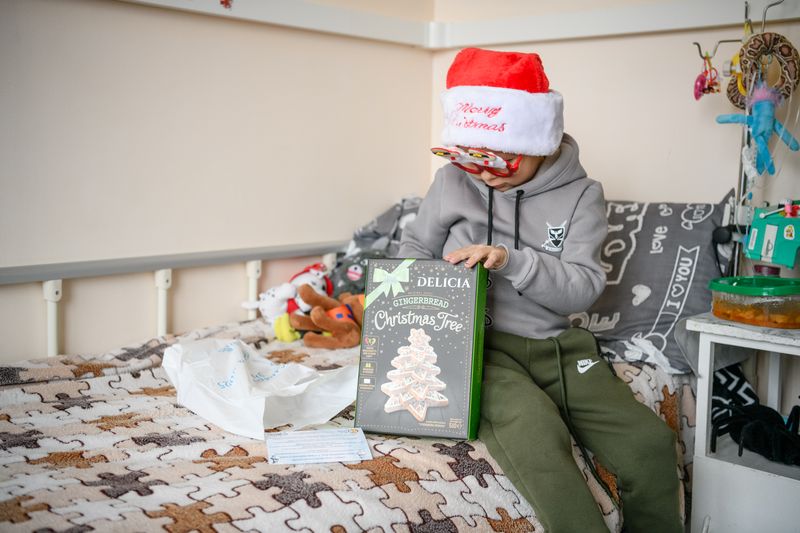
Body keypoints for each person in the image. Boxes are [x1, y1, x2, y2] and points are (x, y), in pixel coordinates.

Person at [398, 47, 682, 533]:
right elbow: (412, 252)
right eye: (472, 159)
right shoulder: (451, 182)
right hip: (477, 348)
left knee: (649, 445)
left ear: (539, 140)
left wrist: (512, 261)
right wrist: (423, 302)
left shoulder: (582, 195)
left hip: (559, 350)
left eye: (502, 159)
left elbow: (583, 289)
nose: (486, 172)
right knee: (535, 432)